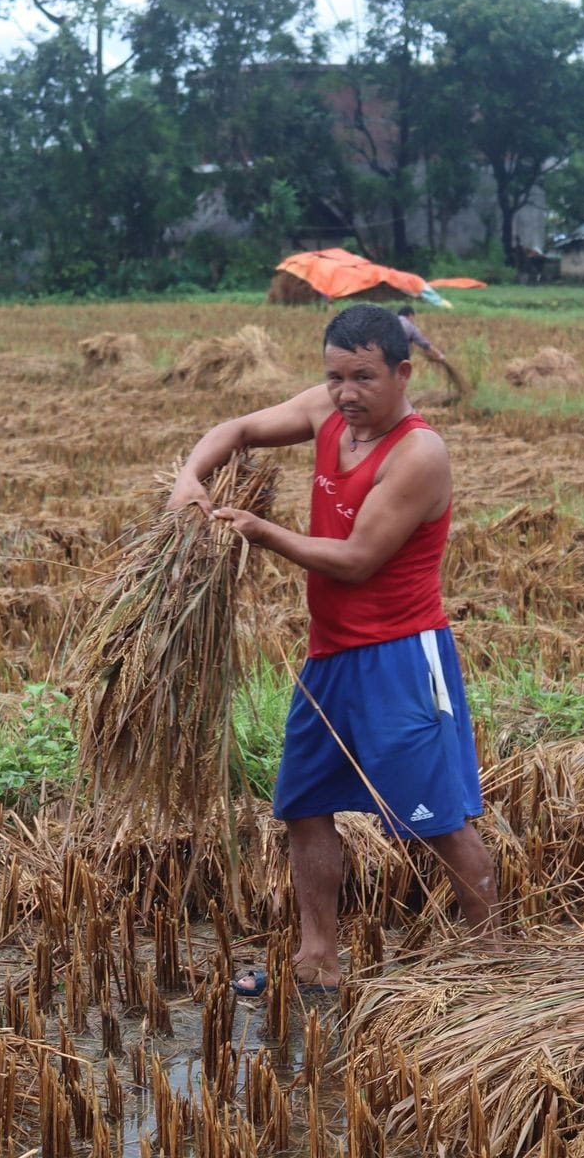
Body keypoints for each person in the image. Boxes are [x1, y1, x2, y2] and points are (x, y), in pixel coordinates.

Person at [170, 303, 497, 997]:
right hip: (330, 659)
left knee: (435, 817)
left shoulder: (418, 454)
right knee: (303, 805)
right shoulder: (328, 413)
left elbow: (356, 559)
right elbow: (238, 429)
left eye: (364, 378)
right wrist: (189, 478)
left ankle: (490, 949)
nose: (346, 394)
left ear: (403, 374)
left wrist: (263, 531)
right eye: (335, 377)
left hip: (402, 658)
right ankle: (317, 954)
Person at [396, 304, 466, 400]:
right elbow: (426, 345)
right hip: (398, 359)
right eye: (413, 318)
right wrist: (439, 355)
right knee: (398, 380)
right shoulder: (410, 327)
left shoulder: (390, 321)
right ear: (410, 315)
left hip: (380, 356)